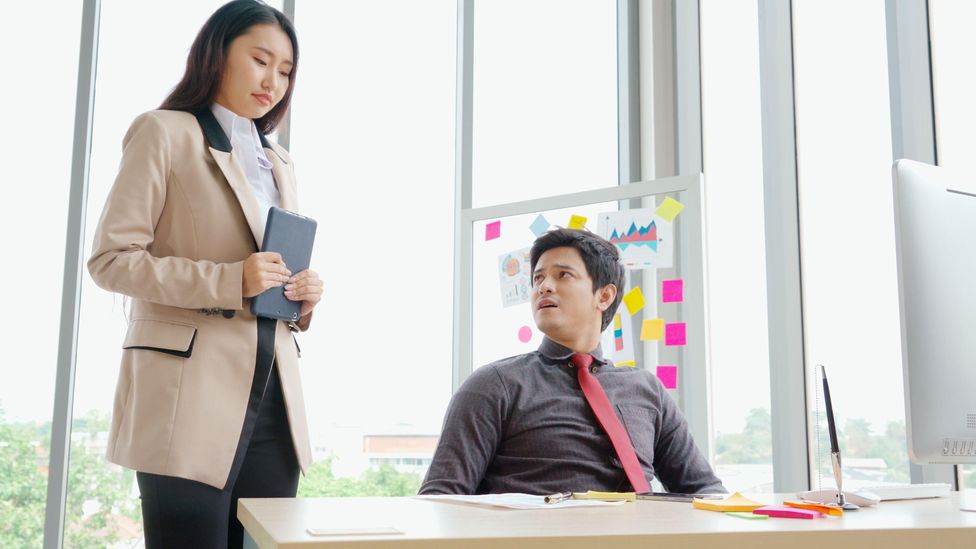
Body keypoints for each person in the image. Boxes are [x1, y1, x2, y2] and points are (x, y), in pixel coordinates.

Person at [87, 1, 322, 546]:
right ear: (217, 55)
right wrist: (229, 280)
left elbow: (267, 269)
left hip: (274, 398)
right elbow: (110, 260)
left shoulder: (277, 161)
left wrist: (301, 297)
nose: (274, 81)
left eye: (286, 71)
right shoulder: (163, 133)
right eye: (261, 60)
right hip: (187, 394)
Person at [420, 228, 725, 496]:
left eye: (562, 275)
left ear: (604, 296)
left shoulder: (646, 388)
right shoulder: (494, 384)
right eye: (538, 277)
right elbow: (441, 498)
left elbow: (704, 490)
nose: (544, 286)